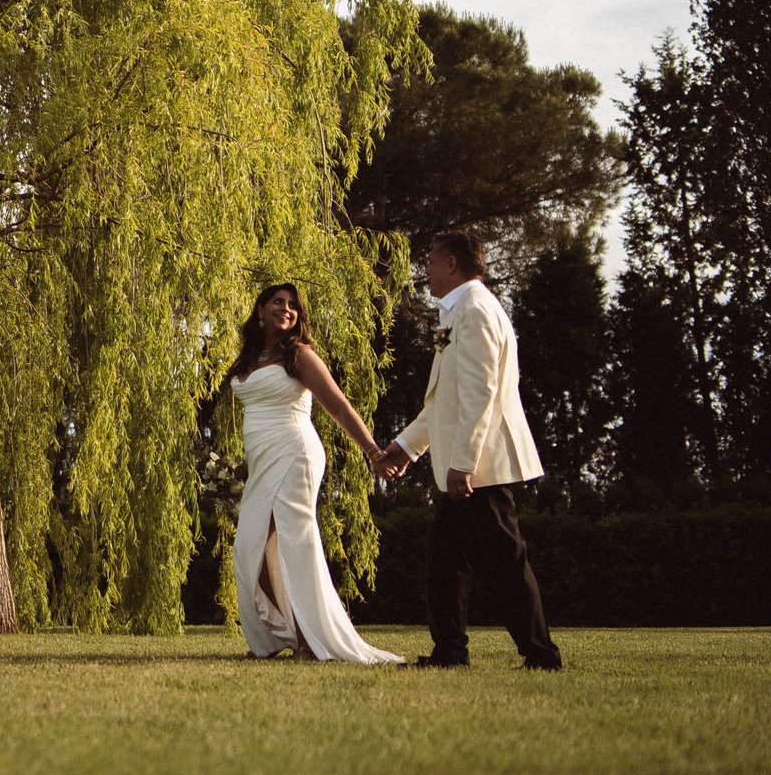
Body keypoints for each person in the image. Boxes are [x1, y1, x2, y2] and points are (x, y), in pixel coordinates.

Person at [378, 231, 564, 670]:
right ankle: (449, 652)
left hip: (481, 469)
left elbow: (481, 395)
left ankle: (542, 655)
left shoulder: (476, 311)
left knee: (506, 564)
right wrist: (406, 447)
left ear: (451, 264)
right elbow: (445, 400)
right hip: (463, 470)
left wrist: (464, 463)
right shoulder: (458, 312)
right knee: (445, 566)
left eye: (429, 260)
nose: (423, 269)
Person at [226, 282, 401, 664]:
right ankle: (275, 637)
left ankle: (309, 642)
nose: (285, 309)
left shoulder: (299, 355)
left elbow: (337, 405)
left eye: (292, 305)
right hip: (263, 458)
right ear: (260, 309)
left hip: (295, 452)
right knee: (248, 548)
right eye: (277, 302)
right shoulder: (250, 356)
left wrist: (372, 451)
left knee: (294, 545)